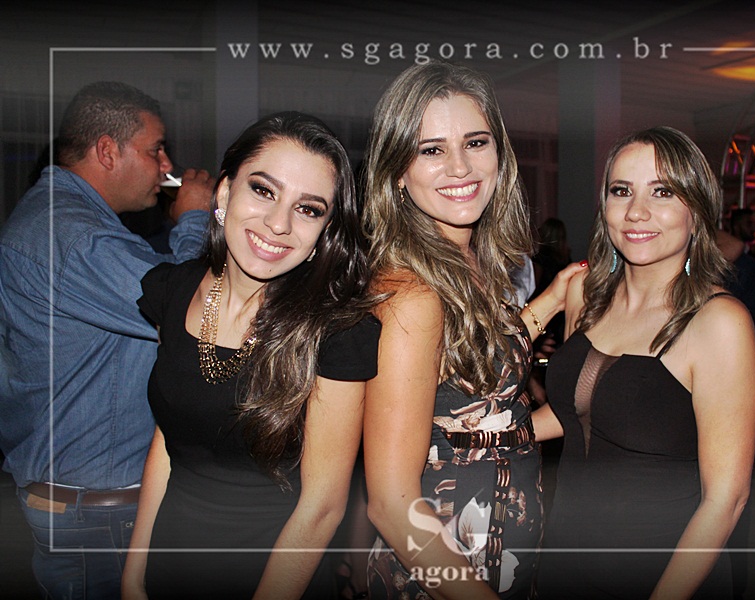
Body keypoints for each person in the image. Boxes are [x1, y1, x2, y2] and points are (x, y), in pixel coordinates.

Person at [119, 112, 381, 599]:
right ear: (224, 193)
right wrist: (134, 575)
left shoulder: (337, 331)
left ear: (325, 230)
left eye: (309, 209)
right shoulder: (172, 292)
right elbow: (168, 441)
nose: (279, 223)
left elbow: (322, 508)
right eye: (263, 190)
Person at [360, 61, 584, 600]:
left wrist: (551, 300)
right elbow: (391, 504)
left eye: (476, 142)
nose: (460, 167)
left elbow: (476, 362)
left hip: (500, 557)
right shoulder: (413, 295)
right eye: (431, 150)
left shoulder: (465, 262)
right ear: (397, 171)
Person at [0, 81, 213, 599]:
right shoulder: (75, 236)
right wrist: (193, 219)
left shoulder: (66, 223)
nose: (167, 165)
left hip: (83, 507)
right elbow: (188, 311)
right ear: (107, 150)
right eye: (155, 149)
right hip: (97, 517)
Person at [533, 126, 755, 599]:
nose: (636, 211)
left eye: (662, 192)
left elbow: (726, 501)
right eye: (622, 191)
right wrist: (483, 434)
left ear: (697, 211)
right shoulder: (586, 294)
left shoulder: (718, 322)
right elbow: (581, 408)